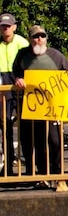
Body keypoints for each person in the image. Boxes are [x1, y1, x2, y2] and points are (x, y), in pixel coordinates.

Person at [12, 24, 68, 191]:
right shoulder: (23, 55)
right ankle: (41, 176)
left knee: (54, 141)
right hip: (33, 108)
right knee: (36, 142)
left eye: (42, 36)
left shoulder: (55, 55)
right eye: (35, 36)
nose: (39, 39)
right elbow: (15, 73)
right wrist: (18, 79)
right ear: (30, 39)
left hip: (53, 109)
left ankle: (58, 175)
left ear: (46, 38)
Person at [0, 13, 29, 175]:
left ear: (14, 27)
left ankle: (31, 165)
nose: (6, 28)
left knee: (26, 127)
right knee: (5, 128)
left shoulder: (22, 42)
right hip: (2, 85)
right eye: (3, 26)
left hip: (19, 83)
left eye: (8, 25)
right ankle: (8, 165)